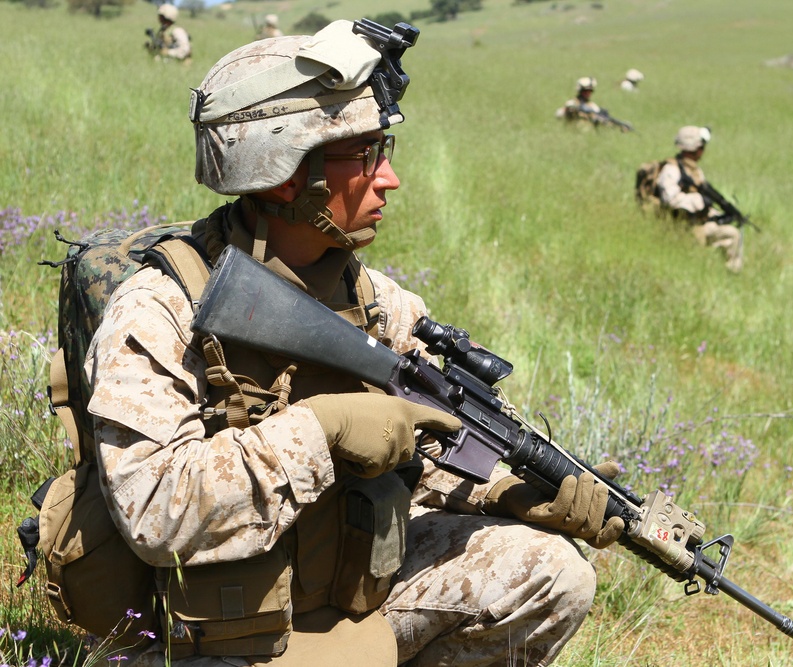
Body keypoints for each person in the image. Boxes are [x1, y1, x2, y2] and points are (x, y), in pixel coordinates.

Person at [87, 20, 625, 666]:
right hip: (206, 637)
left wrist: (502, 492)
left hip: (345, 598)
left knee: (554, 574)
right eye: (365, 154)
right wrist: (323, 428)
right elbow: (154, 511)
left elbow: (422, 456)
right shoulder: (162, 308)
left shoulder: (375, 301)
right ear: (287, 173)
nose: (390, 178)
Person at [653, 126, 744, 273]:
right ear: (696, 149)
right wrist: (698, 201)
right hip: (683, 226)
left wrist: (718, 215)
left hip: (699, 223)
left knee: (732, 233)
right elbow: (670, 200)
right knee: (731, 235)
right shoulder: (671, 170)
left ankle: (730, 274)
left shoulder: (694, 170)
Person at [555, 77, 632, 131]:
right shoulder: (572, 103)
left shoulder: (592, 106)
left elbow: (603, 121)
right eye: (585, 91)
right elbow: (559, 114)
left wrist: (619, 126)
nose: (587, 93)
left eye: (590, 91)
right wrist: (571, 110)